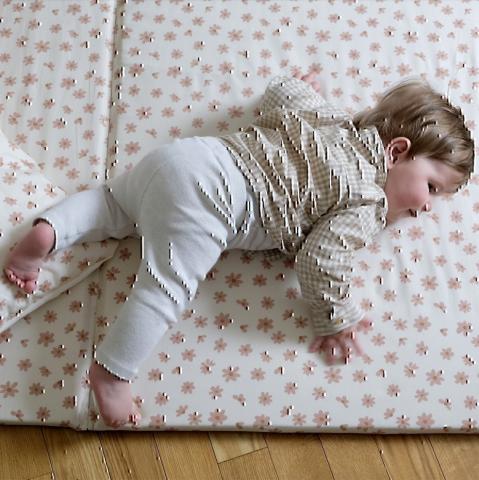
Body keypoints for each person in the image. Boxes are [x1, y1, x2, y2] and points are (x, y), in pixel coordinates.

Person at [3, 73, 473, 428]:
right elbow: (322, 260)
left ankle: (48, 233)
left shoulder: (329, 118)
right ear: (396, 151)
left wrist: (302, 84)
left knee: (113, 203)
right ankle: (111, 372)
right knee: (166, 287)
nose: (426, 208)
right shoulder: (367, 201)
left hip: (187, 157)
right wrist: (336, 318)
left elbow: (282, 91)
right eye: (432, 187)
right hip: (216, 200)